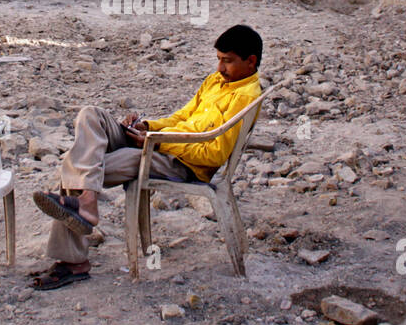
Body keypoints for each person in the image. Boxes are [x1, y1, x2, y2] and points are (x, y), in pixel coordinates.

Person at [29, 24, 264, 290]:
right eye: (219, 60)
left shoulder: (245, 97)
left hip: (181, 163)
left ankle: (74, 260)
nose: (220, 67)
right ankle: (87, 203)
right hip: (159, 144)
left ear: (251, 61)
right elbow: (180, 118)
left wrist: (158, 143)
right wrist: (148, 127)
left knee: (81, 166)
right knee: (90, 115)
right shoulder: (216, 81)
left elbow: (212, 154)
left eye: (228, 61)